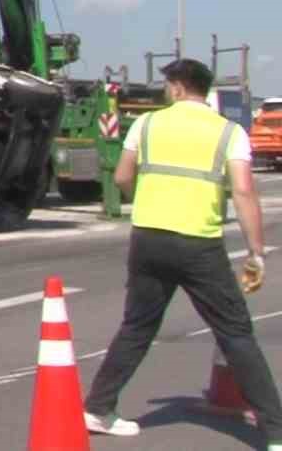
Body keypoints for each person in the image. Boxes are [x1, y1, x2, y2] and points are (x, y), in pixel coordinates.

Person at [84, 58, 282, 445]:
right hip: (198, 244)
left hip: (148, 239)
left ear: (176, 88)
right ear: (203, 90)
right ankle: (275, 431)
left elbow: (123, 177)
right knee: (235, 333)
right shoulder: (229, 132)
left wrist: (149, 200)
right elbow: (243, 192)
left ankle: (98, 409)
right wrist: (256, 252)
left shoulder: (146, 124)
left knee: (138, 326)